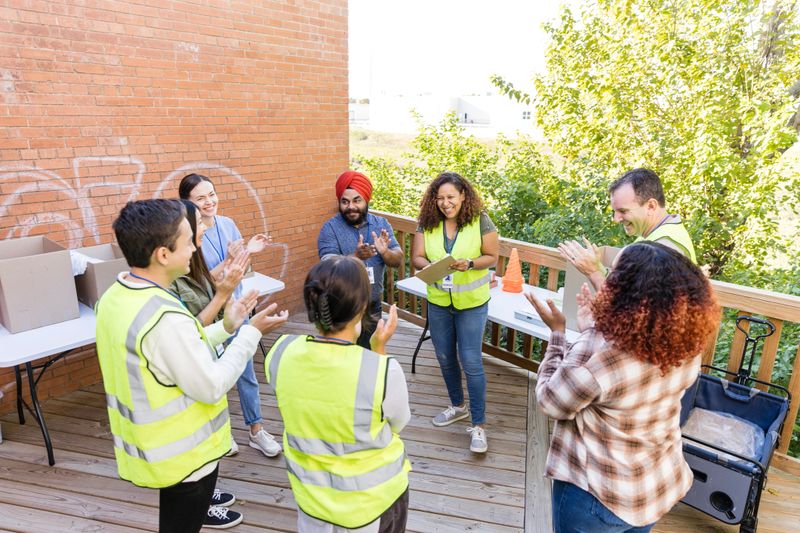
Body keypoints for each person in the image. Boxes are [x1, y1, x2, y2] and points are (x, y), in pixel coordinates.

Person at [95, 199, 288, 533]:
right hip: (185, 456)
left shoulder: (116, 296)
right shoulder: (164, 316)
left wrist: (228, 326)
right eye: (188, 241)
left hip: (152, 447)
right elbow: (211, 382)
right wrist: (251, 333)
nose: (195, 246)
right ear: (163, 254)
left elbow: (177, 350)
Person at [526, 242, 720, 532]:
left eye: (614, 274)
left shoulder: (604, 354)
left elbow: (552, 401)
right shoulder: (687, 346)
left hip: (597, 495)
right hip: (653, 486)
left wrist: (561, 334)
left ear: (626, 291)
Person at [264, 256, 411, 533]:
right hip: (373, 506)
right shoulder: (383, 370)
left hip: (311, 500)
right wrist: (379, 350)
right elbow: (397, 423)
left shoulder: (281, 352)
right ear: (363, 307)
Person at [179, 173, 281, 458]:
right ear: (187, 203)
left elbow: (240, 271)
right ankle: (220, 433)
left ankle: (256, 430)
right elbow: (199, 282)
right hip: (208, 313)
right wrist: (228, 258)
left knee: (246, 371)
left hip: (236, 309)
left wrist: (249, 251)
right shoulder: (188, 235)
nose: (209, 202)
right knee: (210, 374)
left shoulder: (227, 224)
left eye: (212, 194)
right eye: (200, 198)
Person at [170, 199, 253, 528]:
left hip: (207, 354)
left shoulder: (193, 262)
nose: (206, 225)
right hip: (193, 378)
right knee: (192, 449)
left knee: (205, 447)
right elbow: (191, 333)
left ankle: (204, 495)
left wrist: (229, 318)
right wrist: (226, 304)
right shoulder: (171, 280)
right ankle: (198, 507)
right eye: (198, 225)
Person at [411, 171, 499, 453]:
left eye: (451, 197)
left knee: (471, 361)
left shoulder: (481, 220)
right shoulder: (427, 222)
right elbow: (416, 258)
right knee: (445, 356)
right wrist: (430, 266)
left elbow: (492, 257)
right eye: (440, 198)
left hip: (472, 303)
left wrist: (470, 263)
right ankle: (457, 406)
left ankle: (479, 425)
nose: (445, 203)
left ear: (463, 196)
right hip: (439, 301)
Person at [559, 168, 697, 291]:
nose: (616, 219)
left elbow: (628, 312)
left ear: (651, 206)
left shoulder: (665, 247)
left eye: (623, 211)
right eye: (615, 211)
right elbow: (624, 287)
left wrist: (593, 272)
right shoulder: (652, 235)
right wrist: (597, 265)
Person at [317, 170, 403, 349]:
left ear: (366, 200)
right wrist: (356, 256)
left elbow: (397, 260)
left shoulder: (381, 224)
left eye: (357, 200)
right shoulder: (330, 228)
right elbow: (327, 266)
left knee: (370, 354)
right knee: (340, 358)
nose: (351, 207)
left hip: (372, 307)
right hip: (340, 308)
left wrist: (385, 252)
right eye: (345, 201)